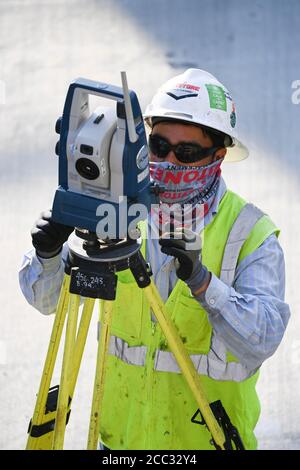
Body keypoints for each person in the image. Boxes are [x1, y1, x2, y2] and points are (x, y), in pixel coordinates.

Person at [19, 68, 290, 450]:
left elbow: (261, 341)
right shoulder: (119, 212)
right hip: (120, 445)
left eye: (187, 152)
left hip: (205, 443)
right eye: (159, 147)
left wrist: (204, 284)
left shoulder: (250, 233)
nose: (169, 161)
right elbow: (49, 303)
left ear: (219, 156)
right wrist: (47, 256)